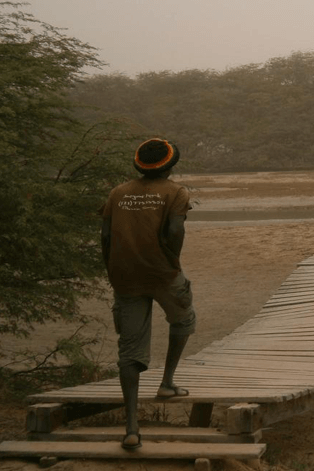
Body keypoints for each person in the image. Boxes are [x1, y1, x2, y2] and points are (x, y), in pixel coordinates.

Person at [101, 138, 196, 450]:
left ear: (139, 165)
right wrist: (172, 258)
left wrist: (112, 269)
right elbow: (175, 230)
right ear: (170, 166)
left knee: (130, 351)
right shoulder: (176, 192)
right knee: (183, 320)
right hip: (163, 272)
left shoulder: (118, 193)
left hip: (125, 276)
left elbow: (105, 236)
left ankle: (131, 427)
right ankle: (167, 382)